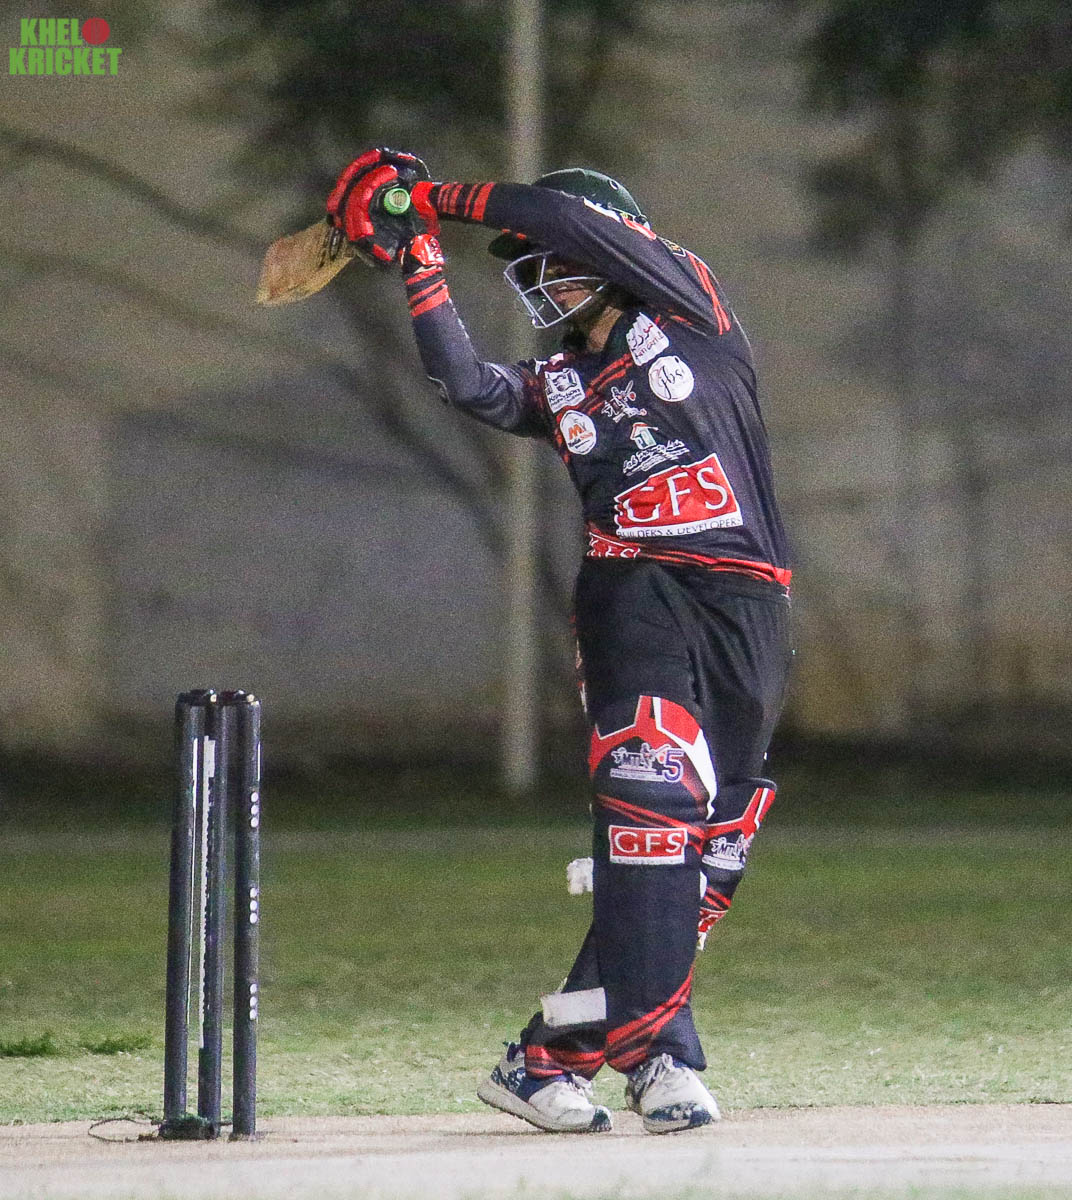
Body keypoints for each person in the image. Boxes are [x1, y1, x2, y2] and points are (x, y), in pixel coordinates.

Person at [327, 150, 793, 1135]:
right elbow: (467, 383)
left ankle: (544, 1061)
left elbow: (568, 220)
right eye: (530, 260)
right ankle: (660, 1060)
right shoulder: (564, 381)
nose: (541, 270)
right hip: (635, 592)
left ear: (621, 248)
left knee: (704, 862)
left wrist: (432, 197)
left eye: (553, 256)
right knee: (654, 807)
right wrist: (421, 260)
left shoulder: (689, 305)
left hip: (747, 599)